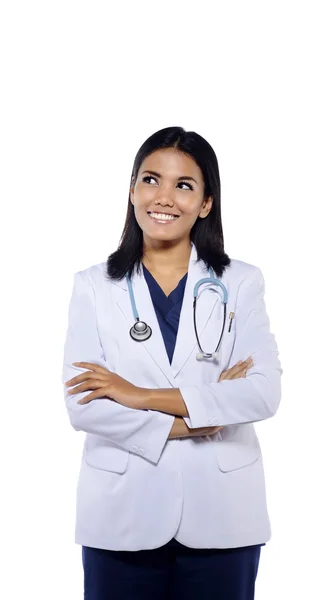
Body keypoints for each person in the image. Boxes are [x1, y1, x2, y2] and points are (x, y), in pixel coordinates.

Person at [62, 126, 282, 600]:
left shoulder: (240, 282)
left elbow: (262, 392)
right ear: (132, 191)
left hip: (223, 515)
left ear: (206, 203)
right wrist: (200, 417)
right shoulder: (93, 286)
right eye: (150, 179)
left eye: (184, 185)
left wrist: (136, 395)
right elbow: (84, 406)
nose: (164, 197)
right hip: (121, 515)